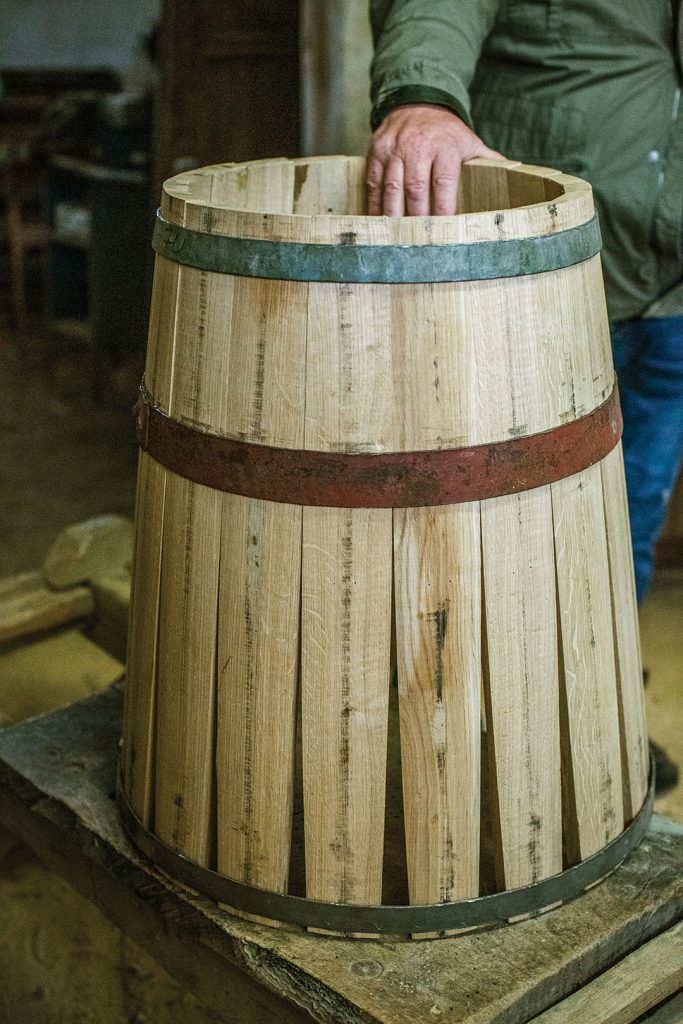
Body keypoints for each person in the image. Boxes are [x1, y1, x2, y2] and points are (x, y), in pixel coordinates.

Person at [368, 0, 683, 789]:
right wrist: (423, 97)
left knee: (628, 524)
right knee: (500, 541)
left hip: (669, 292)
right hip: (547, 278)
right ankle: (489, 756)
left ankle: (594, 716)